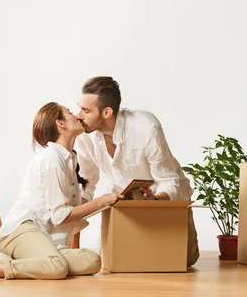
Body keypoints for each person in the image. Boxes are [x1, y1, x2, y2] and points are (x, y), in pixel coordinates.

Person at [0, 102, 123, 279]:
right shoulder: (52, 159)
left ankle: (2, 260)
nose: (78, 115)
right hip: (21, 231)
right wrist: (101, 201)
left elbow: (69, 216)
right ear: (61, 123)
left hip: (44, 238)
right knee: (57, 267)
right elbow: (60, 216)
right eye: (70, 112)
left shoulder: (69, 159)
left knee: (91, 260)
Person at [73, 76, 200, 266]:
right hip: (125, 203)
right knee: (116, 259)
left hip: (163, 199)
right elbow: (87, 183)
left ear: (107, 112)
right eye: (79, 107)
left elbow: (168, 180)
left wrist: (155, 201)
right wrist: (74, 225)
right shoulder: (85, 135)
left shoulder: (146, 128)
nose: (78, 115)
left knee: (185, 259)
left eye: (86, 110)